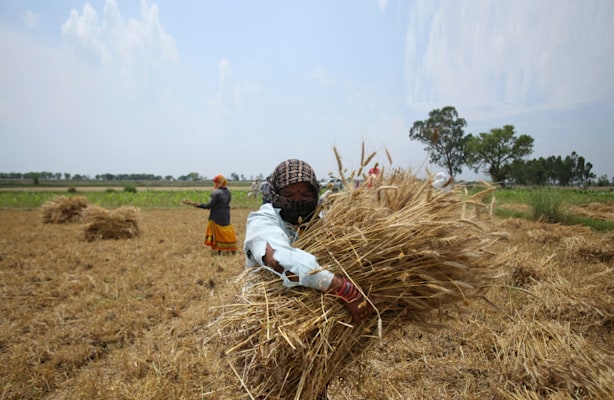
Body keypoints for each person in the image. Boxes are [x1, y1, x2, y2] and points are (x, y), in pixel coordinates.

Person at [244, 159, 373, 324]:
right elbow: (278, 259)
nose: (298, 201)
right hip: (267, 319)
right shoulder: (262, 221)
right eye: (289, 195)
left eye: (305, 195)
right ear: (275, 194)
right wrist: (340, 287)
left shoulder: (321, 224)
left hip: (319, 322)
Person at [182, 174, 238, 255]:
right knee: (226, 230)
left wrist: (197, 205)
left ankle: (219, 249)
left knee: (217, 233)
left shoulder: (215, 192)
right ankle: (230, 248)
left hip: (216, 216)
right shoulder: (228, 192)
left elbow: (209, 205)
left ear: (218, 183)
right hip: (226, 214)